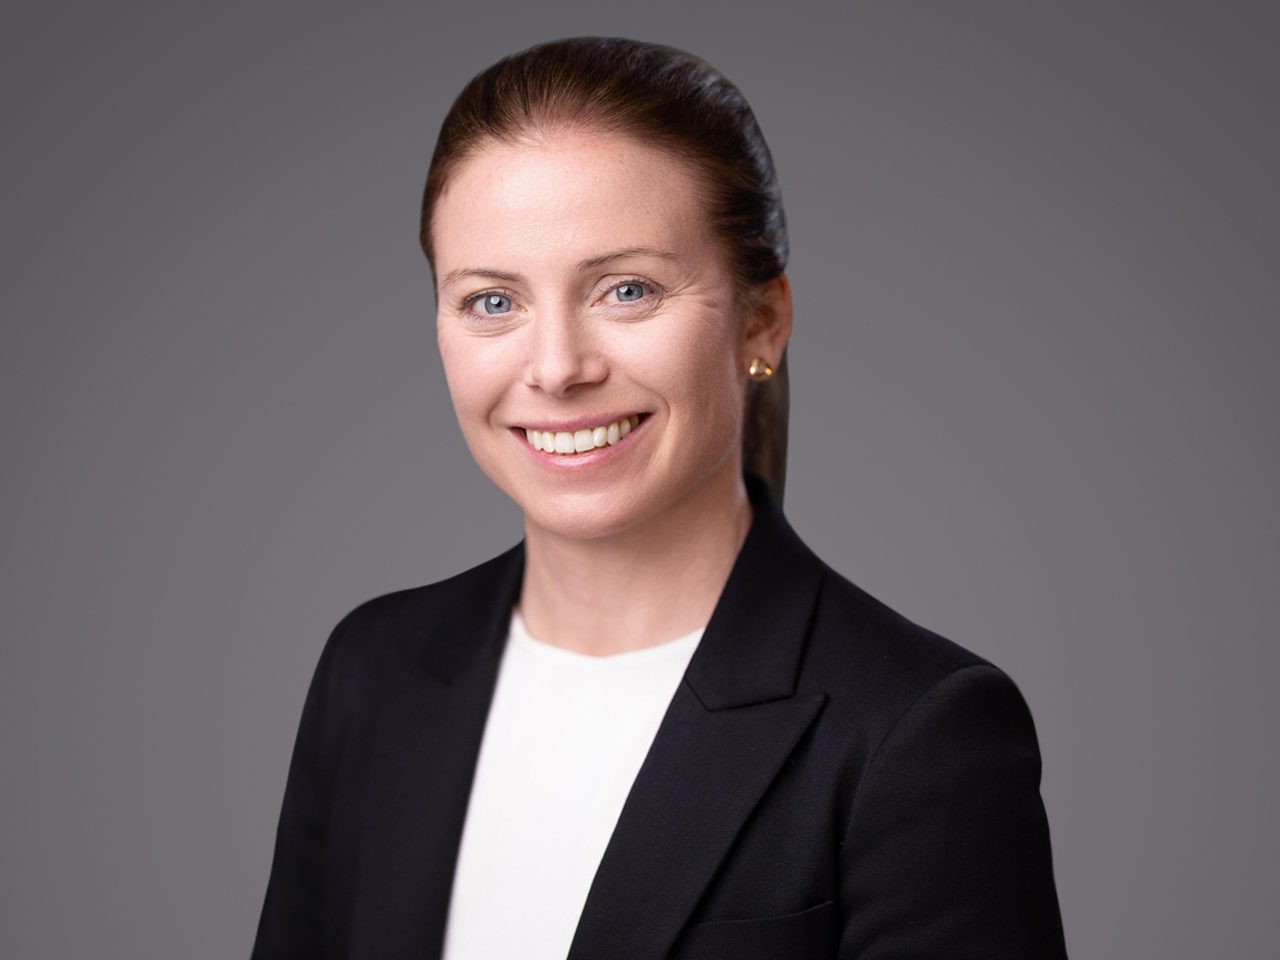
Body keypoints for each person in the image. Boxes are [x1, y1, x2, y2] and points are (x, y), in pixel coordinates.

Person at [251, 37, 1068, 959]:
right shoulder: (373, 674)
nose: (557, 369)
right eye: (491, 302)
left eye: (626, 290)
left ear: (762, 322)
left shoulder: (916, 735)